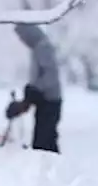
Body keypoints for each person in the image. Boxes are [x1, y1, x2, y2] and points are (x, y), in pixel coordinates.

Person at [6, 23, 62, 153]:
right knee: (44, 139)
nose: (22, 40)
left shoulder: (43, 47)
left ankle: (52, 166)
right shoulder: (38, 48)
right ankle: (49, 165)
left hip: (50, 100)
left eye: (22, 36)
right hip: (45, 99)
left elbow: (50, 76)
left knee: (44, 140)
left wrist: (35, 89)